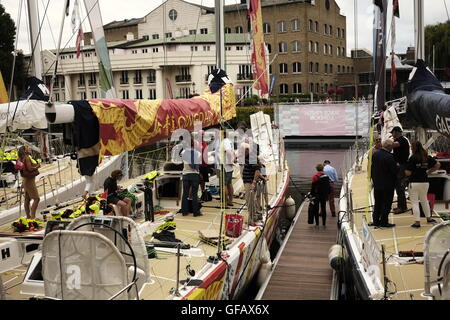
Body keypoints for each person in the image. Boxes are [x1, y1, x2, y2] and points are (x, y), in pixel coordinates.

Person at [405, 141, 441, 228]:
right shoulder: (426, 157)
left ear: (413, 148)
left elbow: (408, 173)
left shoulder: (412, 158)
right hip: (425, 182)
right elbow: (438, 164)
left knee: (415, 202)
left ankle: (417, 222)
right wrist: (428, 171)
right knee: (424, 200)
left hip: (414, 183)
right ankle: (429, 218)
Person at [370, 139, 398, 228]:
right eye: (392, 146)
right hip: (387, 185)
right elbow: (394, 171)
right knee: (386, 204)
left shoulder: (375, 154)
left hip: (377, 184)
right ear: (389, 147)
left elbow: (372, 168)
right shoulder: (389, 157)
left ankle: (375, 221)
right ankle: (384, 222)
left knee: (377, 203)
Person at [242, 148, 266, 226]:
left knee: (250, 201)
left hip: (250, 182)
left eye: (243, 150)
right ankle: (254, 216)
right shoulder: (248, 157)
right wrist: (263, 178)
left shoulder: (251, 158)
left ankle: (251, 220)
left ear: (248, 150)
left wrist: (254, 182)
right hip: (247, 182)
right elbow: (257, 170)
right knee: (251, 200)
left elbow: (257, 171)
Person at [180, 137, 202, 216]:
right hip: (194, 175)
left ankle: (184, 211)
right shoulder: (198, 153)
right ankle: (196, 212)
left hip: (185, 174)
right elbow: (198, 164)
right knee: (194, 194)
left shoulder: (183, 152)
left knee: (185, 194)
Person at [391, 126, 410, 214]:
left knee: (400, 187)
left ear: (396, 132)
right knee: (398, 187)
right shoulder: (399, 140)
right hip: (400, 165)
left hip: (402, 166)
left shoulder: (402, 140)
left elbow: (394, 145)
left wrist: (384, 144)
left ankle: (402, 207)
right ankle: (401, 206)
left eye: (393, 132)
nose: (392, 134)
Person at [18, 146, 40, 219]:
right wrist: (37, 166)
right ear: (25, 151)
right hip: (29, 180)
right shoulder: (27, 158)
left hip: (25, 180)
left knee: (27, 199)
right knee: (36, 199)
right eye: (28, 148)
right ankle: (33, 216)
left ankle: (28, 216)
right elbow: (30, 169)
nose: (30, 149)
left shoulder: (21, 158)